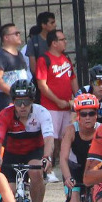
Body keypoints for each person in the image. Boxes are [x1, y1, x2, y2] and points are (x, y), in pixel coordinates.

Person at [0, 80, 54, 202]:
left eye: (26, 102)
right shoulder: (5, 114)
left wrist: (47, 157)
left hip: (34, 152)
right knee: (8, 192)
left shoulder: (42, 113)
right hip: (12, 154)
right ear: (13, 102)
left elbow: (49, 139)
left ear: (32, 101)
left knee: (36, 171)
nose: (23, 106)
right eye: (19, 103)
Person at [60, 93, 99, 202]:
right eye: (83, 114)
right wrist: (68, 177)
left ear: (97, 115)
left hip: (94, 172)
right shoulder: (71, 130)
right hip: (74, 172)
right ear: (78, 115)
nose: (88, 118)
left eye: (92, 113)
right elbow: (63, 159)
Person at [35, 28, 78, 179]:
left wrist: (78, 98)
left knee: (65, 137)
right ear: (54, 43)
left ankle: (63, 167)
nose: (65, 42)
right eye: (62, 39)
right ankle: (48, 169)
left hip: (66, 107)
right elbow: (42, 85)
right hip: (51, 107)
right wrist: (57, 101)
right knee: (50, 138)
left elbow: (73, 79)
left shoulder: (66, 59)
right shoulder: (44, 59)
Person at [0, 23, 31, 114]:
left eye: (19, 33)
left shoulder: (19, 54)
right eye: (16, 33)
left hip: (21, 99)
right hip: (7, 99)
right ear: (6, 37)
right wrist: (14, 94)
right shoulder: (1, 55)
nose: (19, 35)